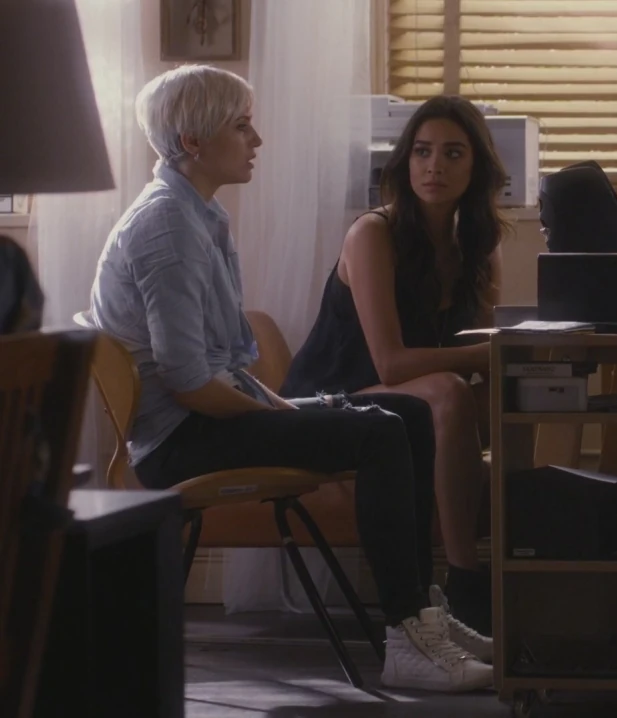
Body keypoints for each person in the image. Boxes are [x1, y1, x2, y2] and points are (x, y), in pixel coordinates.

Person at [86, 65, 492, 692]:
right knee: (382, 431)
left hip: (206, 420)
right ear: (194, 142)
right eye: (241, 126)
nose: (256, 139)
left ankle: (419, 621)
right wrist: (280, 412)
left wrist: (281, 403)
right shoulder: (168, 227)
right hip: (180, 441)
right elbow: (189, 384)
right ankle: (405, 633)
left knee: (409, 415)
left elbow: (221, 368)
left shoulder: (200, 216)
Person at [282, 96, 502, 637]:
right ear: (405, 162)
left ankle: (537, 561)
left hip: (403, 399)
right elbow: (392, 362)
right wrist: (487, 356)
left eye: (453, 153)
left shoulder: (479, 247)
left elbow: (483, 351)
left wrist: (513, 361)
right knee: (451, 392)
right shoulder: (372, 233)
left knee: (513, 393)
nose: (434, 166)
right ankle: (465, 580)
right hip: (330, 400)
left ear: (476, 168)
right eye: (422, 152)